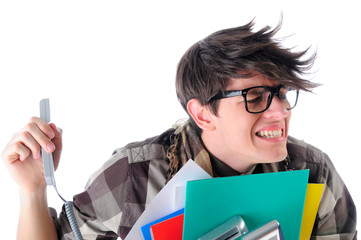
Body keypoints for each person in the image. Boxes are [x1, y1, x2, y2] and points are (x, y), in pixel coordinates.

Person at [2, 19, 357, 240]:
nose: (279, 111)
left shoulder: (314, 173)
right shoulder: (135, 174)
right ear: (202, 114)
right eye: (256, 96)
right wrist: (32, 192)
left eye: (281, 93)